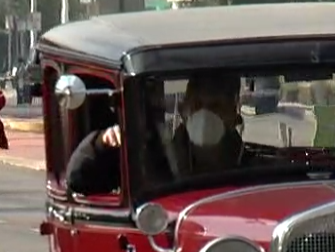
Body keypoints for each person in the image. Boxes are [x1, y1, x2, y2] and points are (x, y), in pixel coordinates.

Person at [64, 72, 244, 195]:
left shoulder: (253, 165)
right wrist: (101, 142)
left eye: (216, 107)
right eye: (197, 105)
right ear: (183, 110)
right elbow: (77, 179)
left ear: (233, 114)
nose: (205, 115)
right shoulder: (149, 159)